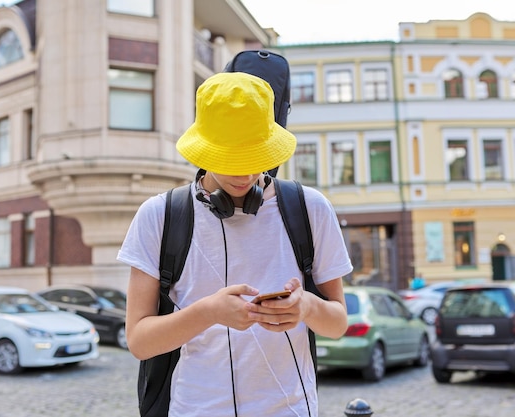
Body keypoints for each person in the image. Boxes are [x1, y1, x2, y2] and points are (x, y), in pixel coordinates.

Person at [117, 72, 353, 416]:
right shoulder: (159, 216)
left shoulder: (310, 209)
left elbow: (338, 323)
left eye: (254, 160)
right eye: (230, 161)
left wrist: (307, 308)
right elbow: (139, 342)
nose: (244, 176)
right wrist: (208, 312)